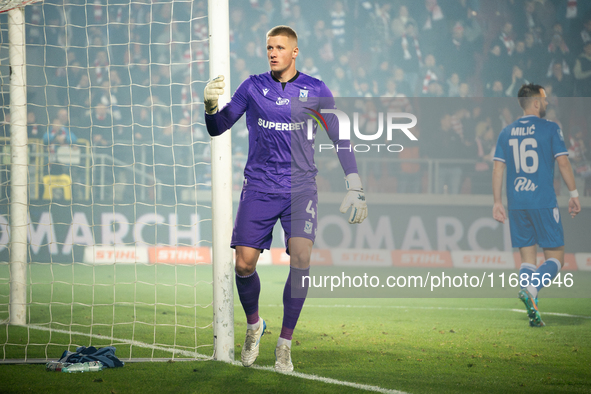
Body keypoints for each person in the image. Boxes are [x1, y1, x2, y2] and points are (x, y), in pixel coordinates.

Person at [203, 25, 368, 372]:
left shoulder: (316, 89)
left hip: (300, 188)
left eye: (279, 47)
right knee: (244, 264)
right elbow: (219, 128)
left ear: (295, 52)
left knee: (302, 255)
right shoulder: (252, 87)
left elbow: (340, 136)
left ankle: (284, 344)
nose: (272, 52)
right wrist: (209, 107)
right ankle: (254, 326)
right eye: (268, 47)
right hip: (260, 186)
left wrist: (354, 183)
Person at [492, 83, 581, 327]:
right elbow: (563, 163)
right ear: (535, 103)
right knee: (557, 258)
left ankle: (534, 312)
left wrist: (497, 201)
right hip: (542, 200)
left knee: (528, 260)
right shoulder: (551, 128)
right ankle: (531, 290)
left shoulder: (506, 132)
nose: (547, 102)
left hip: (517, 203)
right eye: (544, 99)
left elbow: (498, 167)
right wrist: (574, 193)